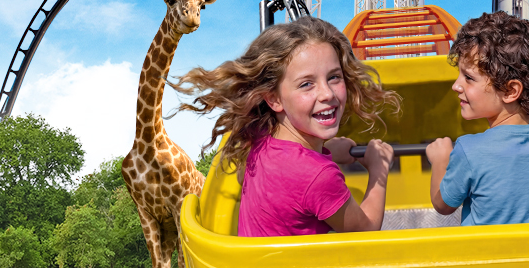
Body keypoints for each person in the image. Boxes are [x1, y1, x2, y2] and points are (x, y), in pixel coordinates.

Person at [171, 16, 402, 237]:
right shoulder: (319, 176)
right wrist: (378, 168)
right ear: (274, 99)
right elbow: (365, 229)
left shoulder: (257, 140)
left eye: (334, 77)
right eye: (306, 84)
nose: (327, 93)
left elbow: (287, 175)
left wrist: (326, 152)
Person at [426, 11, 529, 226]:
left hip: (489, 259)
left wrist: (440, 160)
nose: (456, 86)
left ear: (510, 91)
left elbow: (443, 206)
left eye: (469, 78)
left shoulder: (469, 149)